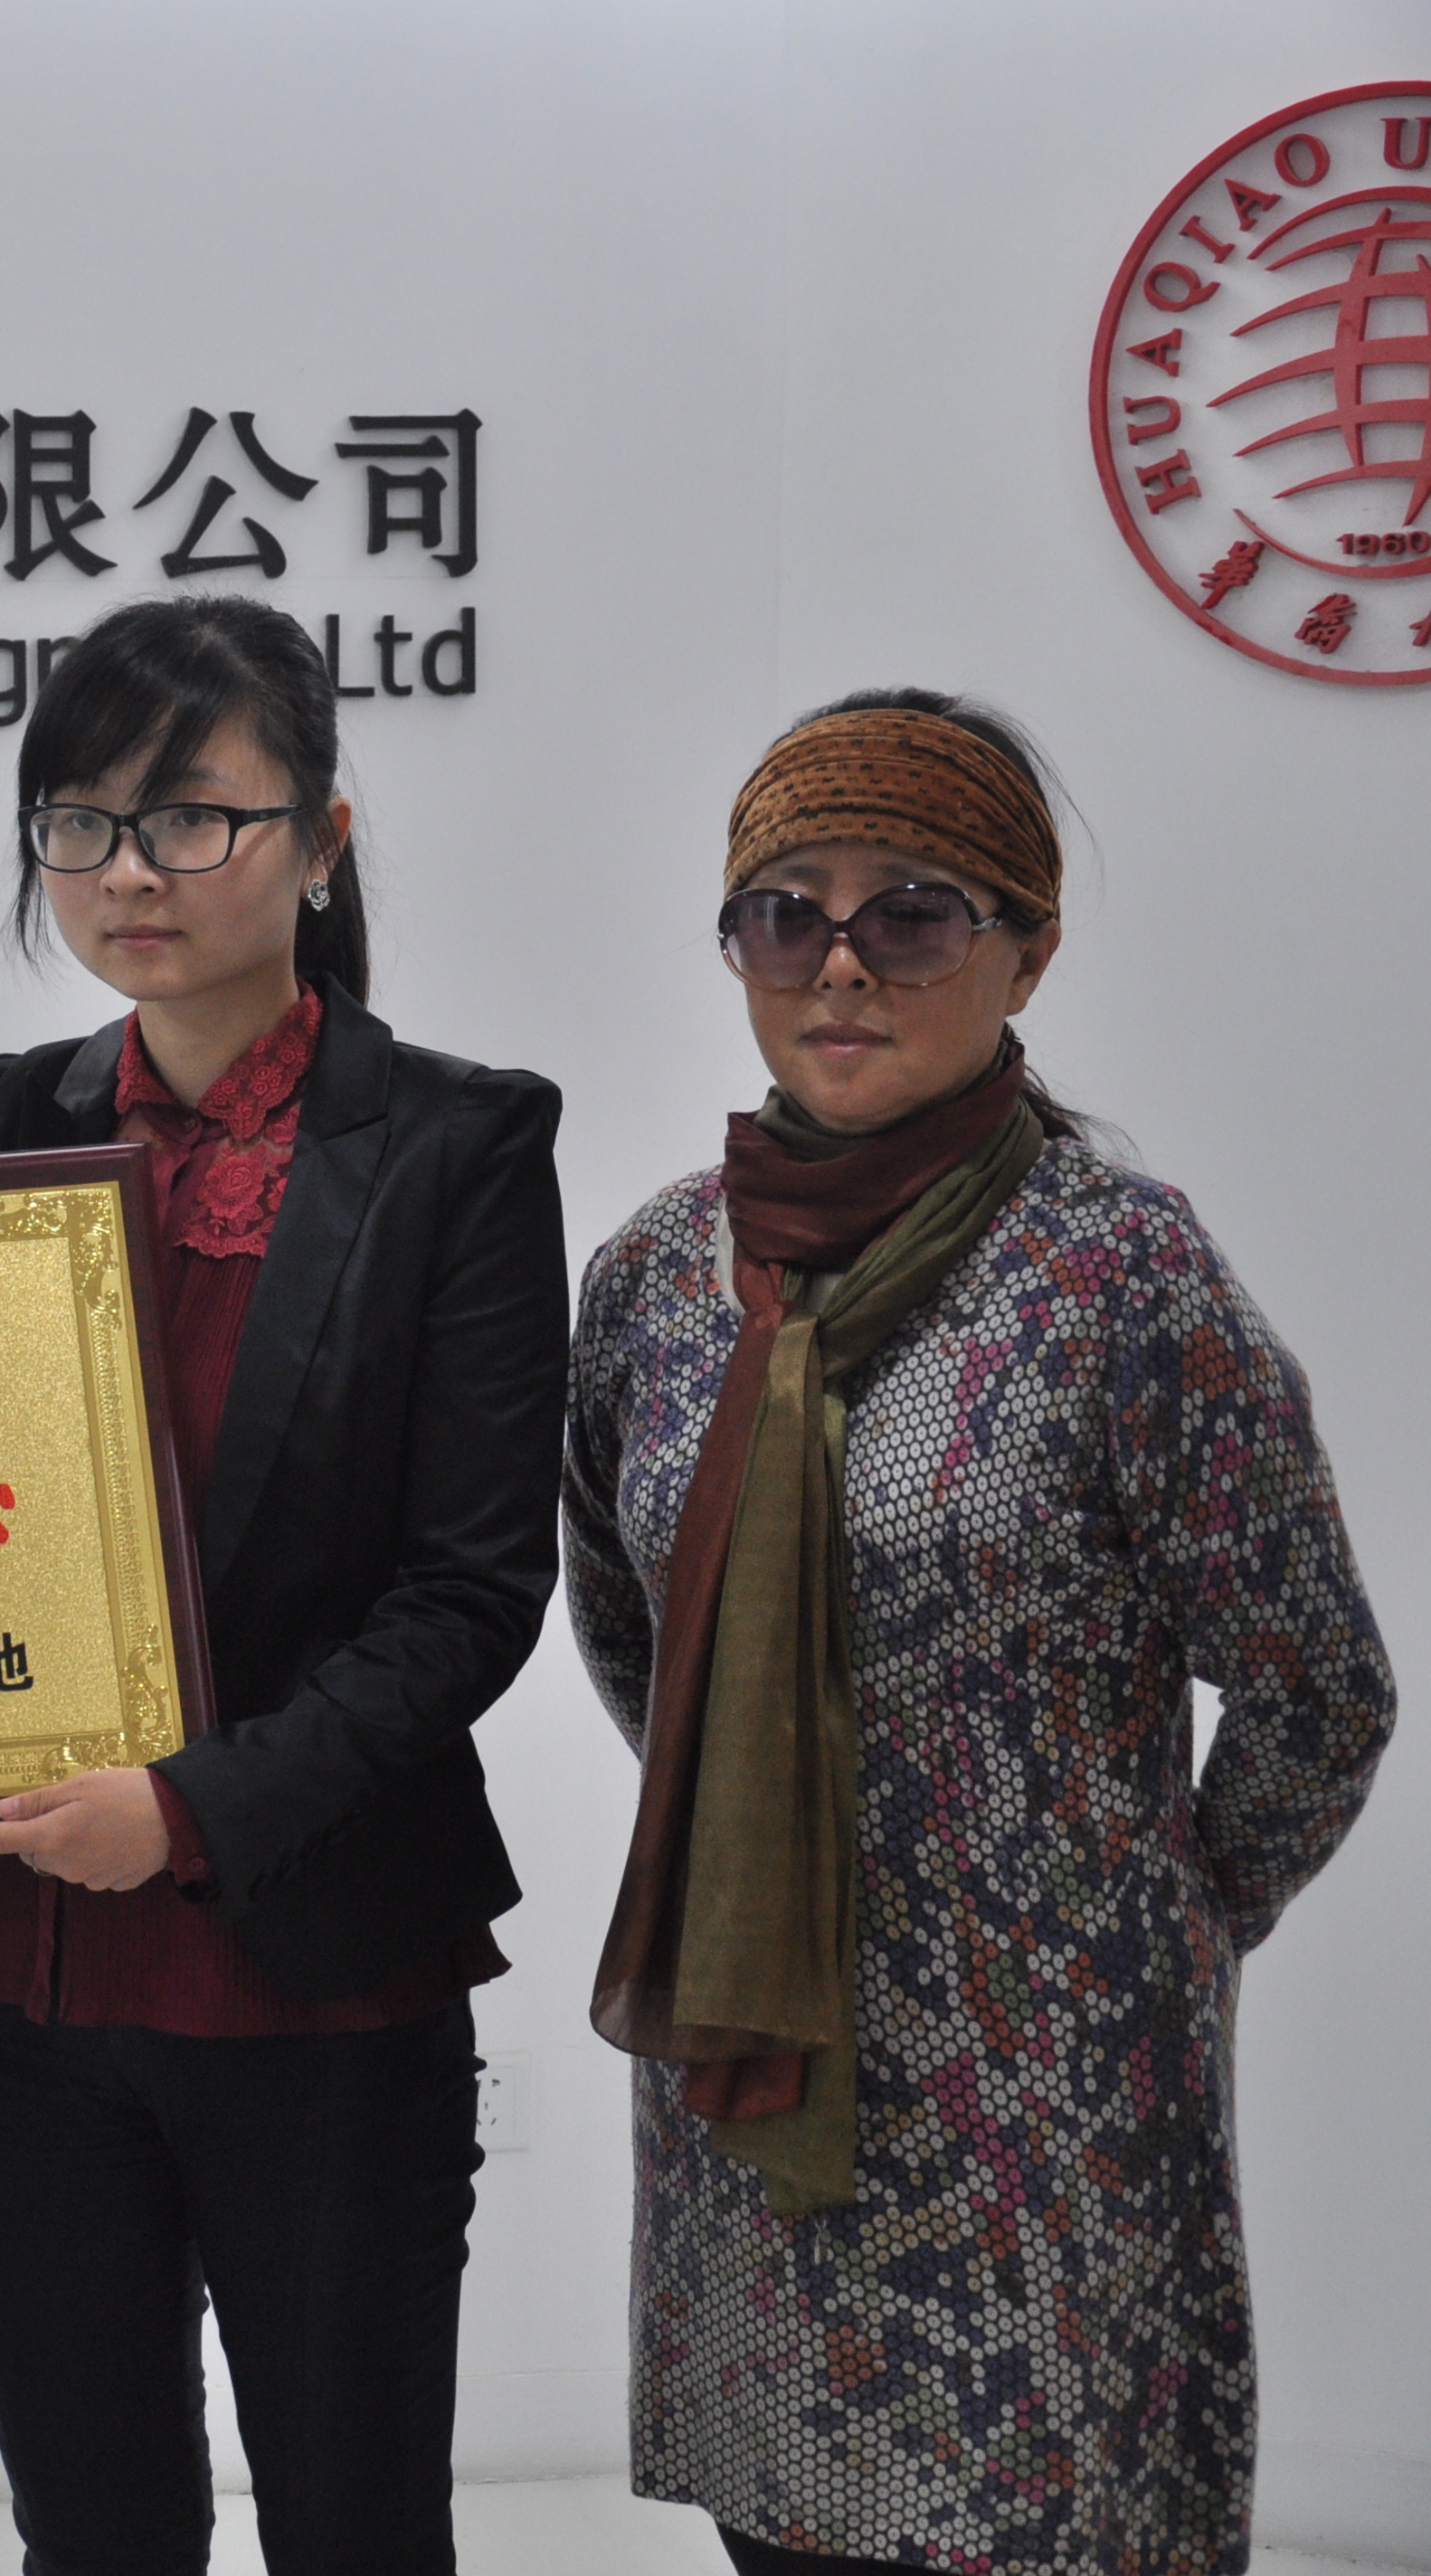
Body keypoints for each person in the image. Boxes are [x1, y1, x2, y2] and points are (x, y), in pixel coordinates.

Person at [0, 594, 563, 2575]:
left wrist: (187, 1807)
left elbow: (465, 1593)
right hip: (15, 1976)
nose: (128, 871)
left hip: (315, 1969)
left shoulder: (458, 1144)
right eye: (78, 823)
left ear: (321, 841)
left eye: (190, 817)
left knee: (355, 2531)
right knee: (89, 2532)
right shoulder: (5, 1114)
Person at [564, 691, 1394, 2576]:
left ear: (1029, 947)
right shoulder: (660, 1275)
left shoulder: (1120, 1274)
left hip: (1048, 2120)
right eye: (785, 912)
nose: (841, 962)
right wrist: (762, 1819)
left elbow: (1313, 1689)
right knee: (784, 2541)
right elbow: (625, 1615)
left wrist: (1145, 1922)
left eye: (913, 912)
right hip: (752, 2089)